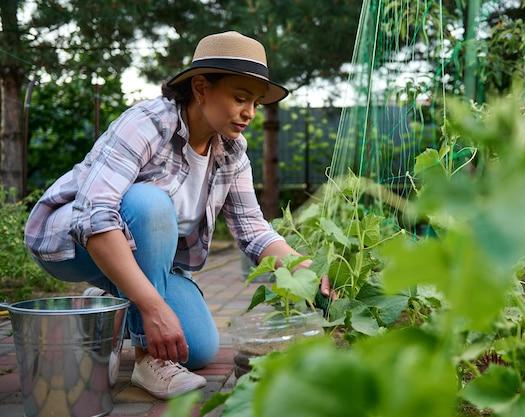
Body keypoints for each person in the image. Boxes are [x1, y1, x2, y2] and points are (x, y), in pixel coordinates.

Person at [24, 31, 333, 399]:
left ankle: (112, 304)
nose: (249, 112)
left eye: (255, 103)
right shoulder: (148, 123)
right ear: (201, 87)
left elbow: (253, 231)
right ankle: (146, 358)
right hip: (70, 243)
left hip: (145, 259)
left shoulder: (231, 150)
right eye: (239, 98)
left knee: (197, 349)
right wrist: (153, 308)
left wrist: (307, 272)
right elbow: (94, 215)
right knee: (149, 203)